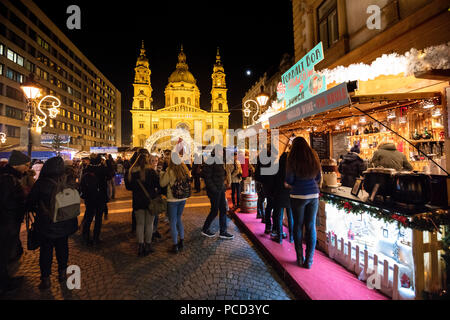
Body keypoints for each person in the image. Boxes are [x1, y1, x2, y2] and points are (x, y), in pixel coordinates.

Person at [26, 157, 79, 290]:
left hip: (46, 224)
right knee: (63, 248)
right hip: (63, 222)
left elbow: (30, 202)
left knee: (46, 250)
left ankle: (46, 279)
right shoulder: (65, 180)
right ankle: (62, 273)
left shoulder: (41, 183)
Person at [285, 137, 322, 269]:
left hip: (298, 195)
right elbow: (318, 177)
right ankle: (309, 260)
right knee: (311, 226)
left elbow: (289, 179)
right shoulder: (313, 155)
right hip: (313, 194)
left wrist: (292, 183)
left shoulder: (292, 157)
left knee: (298, 226)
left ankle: (300, 258)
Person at [0, 150, 30, 295]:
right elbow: (6, 202)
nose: (27, 168)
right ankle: (4, 283)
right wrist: (21, 202)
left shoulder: (10, 177)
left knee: (5, 252)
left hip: (9, 222)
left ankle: (5, 279)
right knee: (3, 252)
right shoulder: (7, 179)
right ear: (17, 165)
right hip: (6, 223)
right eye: (26, 165)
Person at [129, 153, 160, 256]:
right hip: (150, 201)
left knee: (140, 224)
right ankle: (148, 244)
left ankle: (140, 246)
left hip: (138, 201)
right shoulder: (151, 171)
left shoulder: (132, 172)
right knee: (149, 224)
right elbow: (157, 184)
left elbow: (129, 187)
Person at [160, 153, 191, 253]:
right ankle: (181, 241)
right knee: (179, 219)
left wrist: (161, 174)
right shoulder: (184, 169)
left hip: (172, 199)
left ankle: (175, 245)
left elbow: (162, 183)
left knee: (172, 221)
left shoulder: (170, 170)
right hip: (183, 198)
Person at [201, 145, 234, 239]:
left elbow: (221, 176)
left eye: (222, 152)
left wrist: (222, 187)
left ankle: (223, 231)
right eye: (220, 151)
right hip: (214, 191)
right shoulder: (210, 160)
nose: (221, 153)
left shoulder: (220, 161)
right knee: (214, 211)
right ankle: (205, 229)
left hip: (220, 189)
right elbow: (207, 178)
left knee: (223, 210)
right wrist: (214, 189)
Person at [80, 154, 112, 246]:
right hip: (100, 197)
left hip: (89, 197)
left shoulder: (86, 169)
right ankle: (96, 238)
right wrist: (108, 160)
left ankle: (85, 236)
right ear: (100, 161)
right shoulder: (102, 169)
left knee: (89, 216)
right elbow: (111, 174)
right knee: (98, 218)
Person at [272, 147, 294, 244]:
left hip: (279, 195)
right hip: (290, 195)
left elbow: (274, 182)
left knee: (279, 217)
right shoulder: (291, 169)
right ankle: (292, 238)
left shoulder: (277, 169)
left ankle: (280, 237)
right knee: (291, 217)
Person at [255, 145, 276, 234]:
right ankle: (273, 227)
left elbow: (257, 175)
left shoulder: (260, 162)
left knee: (268, 205)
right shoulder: (271, 161)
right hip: (272, 186)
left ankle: (268, 225)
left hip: (265, 186)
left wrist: (263, 182)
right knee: (273, 206)